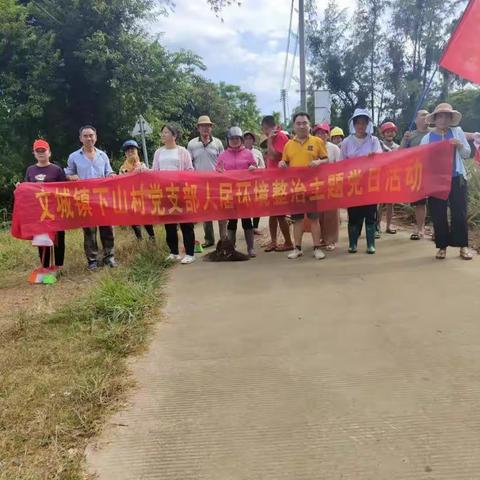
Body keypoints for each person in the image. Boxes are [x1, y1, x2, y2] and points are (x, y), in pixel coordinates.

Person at [420, 103, 472, 260]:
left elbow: (466, 154)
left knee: (459, 214)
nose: (443, 119)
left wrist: (460, 145)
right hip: (436, 182)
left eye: (447, 116)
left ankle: (463, 246)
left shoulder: (457, 132)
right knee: (438, 214)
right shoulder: (427, 138)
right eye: (440, 116)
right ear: (435, 119)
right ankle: (442, 247)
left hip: (456, 179)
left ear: (451, 119)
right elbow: (421, 159)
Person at [65, 125, 117, 270]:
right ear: (81, 138)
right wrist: (71, 177)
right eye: (86, 136)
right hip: (85, 198)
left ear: (96, 137)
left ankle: (109, 257)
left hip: (103, 197)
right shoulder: (74, 157)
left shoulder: (102, 155)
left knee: (107, 228)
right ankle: (92, 260)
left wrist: (112, 175)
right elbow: (68, 173)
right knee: (89, 230)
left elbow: (109, 171)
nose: (89, 138)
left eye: (91, 135)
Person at [279, 112, 329, 260]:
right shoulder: (288, 145)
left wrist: (318, 162)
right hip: (296, 188)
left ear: (309, 125)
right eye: (298, 123)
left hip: (313, 186)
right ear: (294, 126)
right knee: (297, 220)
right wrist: (282, 164)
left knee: (314, 219)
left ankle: (317, 248)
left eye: (304, 123)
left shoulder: (317, 141)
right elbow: (284, 163)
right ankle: (297, 248)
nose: (302, 126)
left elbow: (326, 160)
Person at [340, 109, 383, 254]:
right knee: (354, 214)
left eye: (364, 123)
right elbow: (341, 162)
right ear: (354, 124)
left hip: (370, 183)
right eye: (358, 122)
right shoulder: (346, 142)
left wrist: (374, 155)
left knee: (370, 213)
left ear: (367, 124)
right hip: (353, 184)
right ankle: (353, 243)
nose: (360, 126)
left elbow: (381, 157)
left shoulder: (373, 140)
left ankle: (371, 244)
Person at [152, 124, 196, 264]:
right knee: (169, 224)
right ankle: (173, 252)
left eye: (166, 132)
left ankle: (190, 253)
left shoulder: (183, 151)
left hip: (181, 191)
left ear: (174, 136)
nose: (163, 135)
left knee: (186, 223)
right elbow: (154, 171)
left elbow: (189, 170)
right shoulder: (159, 152)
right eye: (162, 133)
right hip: (165, 192)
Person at [215, 127, 258, 257]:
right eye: (231, 139)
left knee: (246, 220)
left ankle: (250, 248)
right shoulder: (223, 155)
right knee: (232, 221)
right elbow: (217, 170)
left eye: (237, 138)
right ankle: (231, 248)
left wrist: (253, 168)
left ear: (241, 140)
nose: (234, 141)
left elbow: (255, 168)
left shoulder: (248, 153)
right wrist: (219, 171)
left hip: (244, 192)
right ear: (228, 140)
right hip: (229, 193)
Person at [25, 139, 66, 271]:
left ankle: (59, 265)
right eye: (38, 151)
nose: (41, 153)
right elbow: (27, 189)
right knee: (41, 238)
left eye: (44, 150)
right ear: (34, 153)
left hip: (55, 209)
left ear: (49, 152)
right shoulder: (30, 170)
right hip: (39, 211)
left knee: (58, 238)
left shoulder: (57, 170)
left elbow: (65, 189)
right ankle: (45, 266)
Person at [187, 115, 224, 248]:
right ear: (198, 128)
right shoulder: (191, 144)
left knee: (221, 211)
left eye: (208, 126)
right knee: (206, 212)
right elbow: (189, 164)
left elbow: (223, 162)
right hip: (201, 184)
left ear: (211, 128)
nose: (205, 128)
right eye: (202, 126)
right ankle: (209, 239)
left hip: (217, 183)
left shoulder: (218, 143)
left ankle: (223, 239)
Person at [260, 115, 294, 252]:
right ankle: (273, 241)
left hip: (280, 181)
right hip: (272, 180)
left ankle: (288, 242)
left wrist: (269, 140)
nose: (263, 131)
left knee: (279, 213)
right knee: (272, 213)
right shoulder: (275, 137)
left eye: (263, 128)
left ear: (266, 126)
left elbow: (275, 156)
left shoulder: (279, 137)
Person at [400, 110, 431, 240]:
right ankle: (420, 229)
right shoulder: (410, 136)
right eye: (422, 115)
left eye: (427, 114)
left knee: (438, 203)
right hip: (417, 174)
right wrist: (404, 140)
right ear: (416, 120)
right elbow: (399, 153)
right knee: (420, 203)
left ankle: (438, 230)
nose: (426, 117)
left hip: (433, 173)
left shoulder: (435, 132)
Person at [119, 139, 155, 242]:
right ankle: (139, 239)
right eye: (128, 151)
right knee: (134, 219)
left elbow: (150, 177)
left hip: (143, 196)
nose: (130, 153)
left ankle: (152, 237)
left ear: (136, 151)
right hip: (130, 197)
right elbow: (121, 182)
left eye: (132, 150)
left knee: (146, 218)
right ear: (125, 153)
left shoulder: (142, 165)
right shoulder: (122, 168)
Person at [312, 122, 341, 251]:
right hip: (316, 185)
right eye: (318, 133)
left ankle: (331, 240)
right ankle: (322, 238)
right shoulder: (311, 147)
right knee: (319, 214)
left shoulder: (334, 148)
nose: (320, 135)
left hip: (331, 184)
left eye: (323, 133)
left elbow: (340, 165)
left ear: (328, 135)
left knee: (331, 214)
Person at [377, 121, 400, 237]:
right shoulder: (378, 145)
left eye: (392, 131)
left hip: (393, 176)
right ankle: (377, 225)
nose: (390, 133)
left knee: (391, 203)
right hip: (381, 177)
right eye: (387, 132)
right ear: (383, 134)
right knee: (379, 203)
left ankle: (389, 225)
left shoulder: (398, 147)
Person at [244, 131, 265, 235]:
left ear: (253, 140)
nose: (248, 140)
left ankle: (255, 226)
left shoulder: (258, 153)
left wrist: (256, 169)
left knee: (257, 204)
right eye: (246, 138)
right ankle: (248, 226)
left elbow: (263, 167)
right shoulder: (239, 152)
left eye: (250, 138)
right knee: (246, 204)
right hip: (243, 183)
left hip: (256, 182)